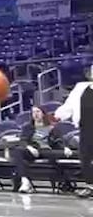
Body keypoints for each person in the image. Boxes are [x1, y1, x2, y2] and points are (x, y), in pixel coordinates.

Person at [11, 106, 69, 194]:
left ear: (43, 113)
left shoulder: (51, 127)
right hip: (33, 150)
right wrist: (29, 147)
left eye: (38, 112)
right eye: (33, 112)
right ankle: (25, 181)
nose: (35, 114)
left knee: (70, 153)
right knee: (17, 151)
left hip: (47, 150)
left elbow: (58, 141)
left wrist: (65, 148)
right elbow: (23, 140)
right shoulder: (28, 127)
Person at [56, 67, 93, 198]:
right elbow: (69, 106)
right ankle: (90, 186)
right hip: (86, 128)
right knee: (85, 158)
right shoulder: (80, 89)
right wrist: (59, 115)